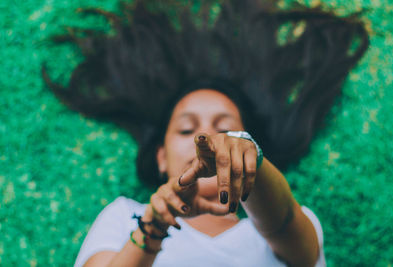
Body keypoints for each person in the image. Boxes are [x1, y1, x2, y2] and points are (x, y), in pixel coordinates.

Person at [42, 0, 369, 266]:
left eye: (226, 130)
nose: (208, 143)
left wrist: (249, 162)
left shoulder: (282, 228)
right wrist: (153, 226)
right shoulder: (125, 219)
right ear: (160, 156)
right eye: (187, 129)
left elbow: (283, 222)